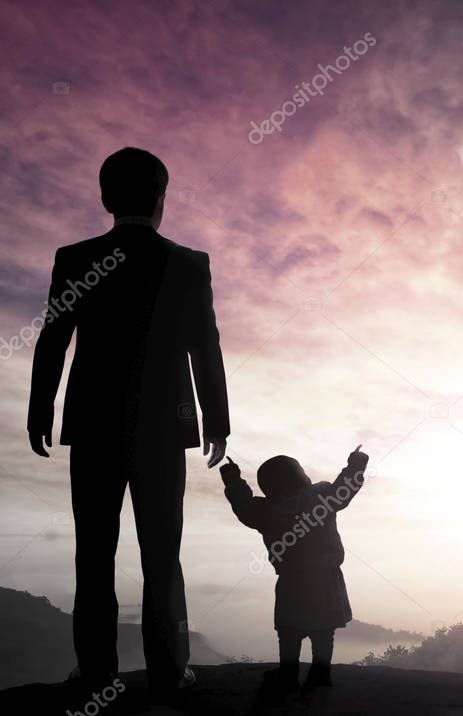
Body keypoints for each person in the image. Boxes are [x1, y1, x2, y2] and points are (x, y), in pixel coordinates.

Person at [27, 147, 230, 695]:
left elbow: (53, 340)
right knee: (163, 551)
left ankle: (96, 671)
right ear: (162, 198)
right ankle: (169, 670)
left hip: (93, 425)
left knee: (93, 550)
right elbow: (204, 347)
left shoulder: (74, 257)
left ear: (104, 198)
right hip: (166, 429)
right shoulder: (189, 264)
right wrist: (217, 421)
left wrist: (39, 408)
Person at [219, 446, 368, 693]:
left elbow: (243, 506)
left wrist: (233, 477)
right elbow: (346, 488)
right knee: (323, 632)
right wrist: (356, 463)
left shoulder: (265, 512)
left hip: (291, 579)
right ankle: (320, 673)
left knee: (289, 631)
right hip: (326, 577)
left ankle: (288, 673)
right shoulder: (322, 497)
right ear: (300, 476)